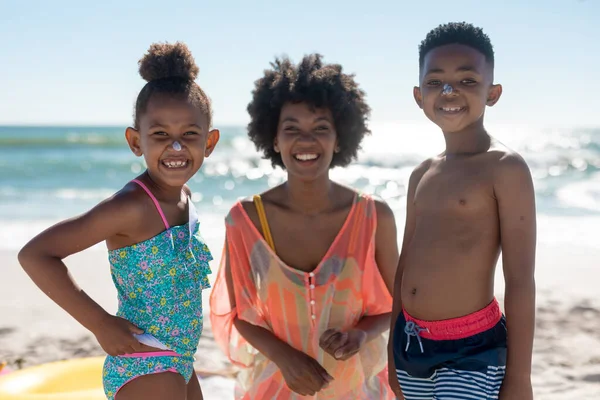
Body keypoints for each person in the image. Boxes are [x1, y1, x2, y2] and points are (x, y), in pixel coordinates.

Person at [18, 42, 219, 400]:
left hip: (179, 359)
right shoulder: (131, 206)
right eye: (160, 135)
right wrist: (100, 324)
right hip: (144, 363)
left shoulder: (184, 198)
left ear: (210, 141)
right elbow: (36, 255)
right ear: (135, 141)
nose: (176, 148)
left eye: (189, 134)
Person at [210, 54, 399, 399]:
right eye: (291, 128)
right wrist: (286, 359)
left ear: (340, 138)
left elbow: (398, 306)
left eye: (321, 128)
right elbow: (239, 314)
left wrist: (360, 334)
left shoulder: (374, 217)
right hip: (276, 387)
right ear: (274, 139)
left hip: (358, 388)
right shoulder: (246, 220)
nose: (306, 140)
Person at [388, 22, 536, 400]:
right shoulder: (422, 173)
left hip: (471, 350)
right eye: (436, 82)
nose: (449, 91)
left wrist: (519, 379)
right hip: (412, 347)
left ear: (493, 93)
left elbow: (520, 280)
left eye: (467, 80)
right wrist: (392, 352)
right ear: (419, 95)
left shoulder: (504, 168)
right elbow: (404, 266)